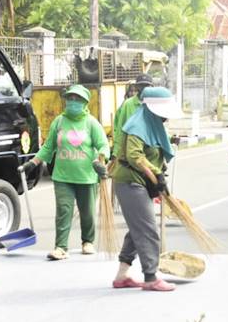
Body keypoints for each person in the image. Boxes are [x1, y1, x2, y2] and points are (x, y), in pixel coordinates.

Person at [20, 85, 109, 260]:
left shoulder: (91, 123)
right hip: (63, 176)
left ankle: (87, 241)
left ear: (85, 103)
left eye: (77, 99)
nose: (73, 102)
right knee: (63, 210)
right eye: (70, 98)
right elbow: (48, 147)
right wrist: (33, 163)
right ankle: (61, 247)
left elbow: (103, 145)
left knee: (88, 212)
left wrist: (101, 160)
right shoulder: (59, 122)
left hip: (87, 176)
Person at [110, 87, 181, 291]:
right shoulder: (137, 124)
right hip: (130, 182)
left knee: (137, 228)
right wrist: (155, 176)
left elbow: (152, 153)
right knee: (148, 229)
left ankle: (121, 276)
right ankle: (150, 277)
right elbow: (135, 156)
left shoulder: (152, 124)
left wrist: (158, 175)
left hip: (140, 182)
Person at [113, 73, 154, 159]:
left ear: (152, 87)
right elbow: (120, 129)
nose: (144, 89)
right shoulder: (128, 104)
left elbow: (158, 129)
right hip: (132, 149)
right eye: (141, 86)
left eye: (147, 86)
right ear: (137, 87)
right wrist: (116, 152)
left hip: (150, 149)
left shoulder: (154, 104)